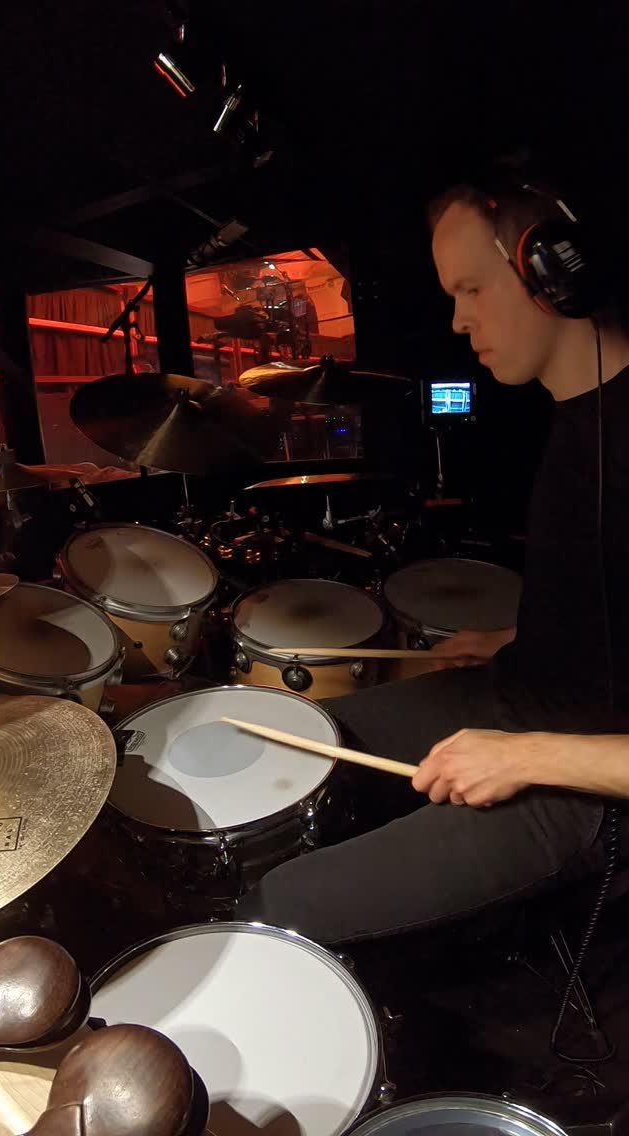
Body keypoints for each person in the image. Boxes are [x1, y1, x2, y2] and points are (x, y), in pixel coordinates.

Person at [235, 177, 629, 946]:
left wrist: (524, 757)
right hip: (517, 698)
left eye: (472, 289)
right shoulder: (573, 416)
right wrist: (517, 640)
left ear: (553, 271)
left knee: (279, 904)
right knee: (307, 744)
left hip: (587, 788)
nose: (458, 320)